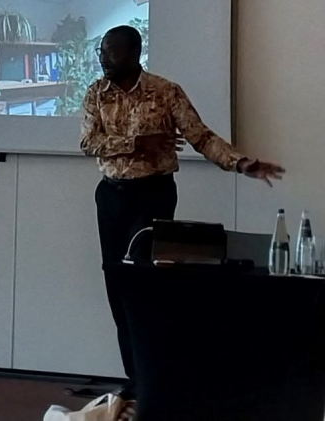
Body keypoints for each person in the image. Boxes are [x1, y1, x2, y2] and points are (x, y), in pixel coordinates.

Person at [81, 25, 284, 420]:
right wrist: (136, 143)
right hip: (111, 198)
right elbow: (88, 142)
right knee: (118, 288)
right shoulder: (96, 93)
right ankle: (136, 381)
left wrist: (241, 163)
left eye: (109, 51)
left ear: (132, 53)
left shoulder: (165, 91)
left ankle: (157, 380)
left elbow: (201, 136)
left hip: (152, 197)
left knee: (150, 290)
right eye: (101, 51)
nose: (102, 58)